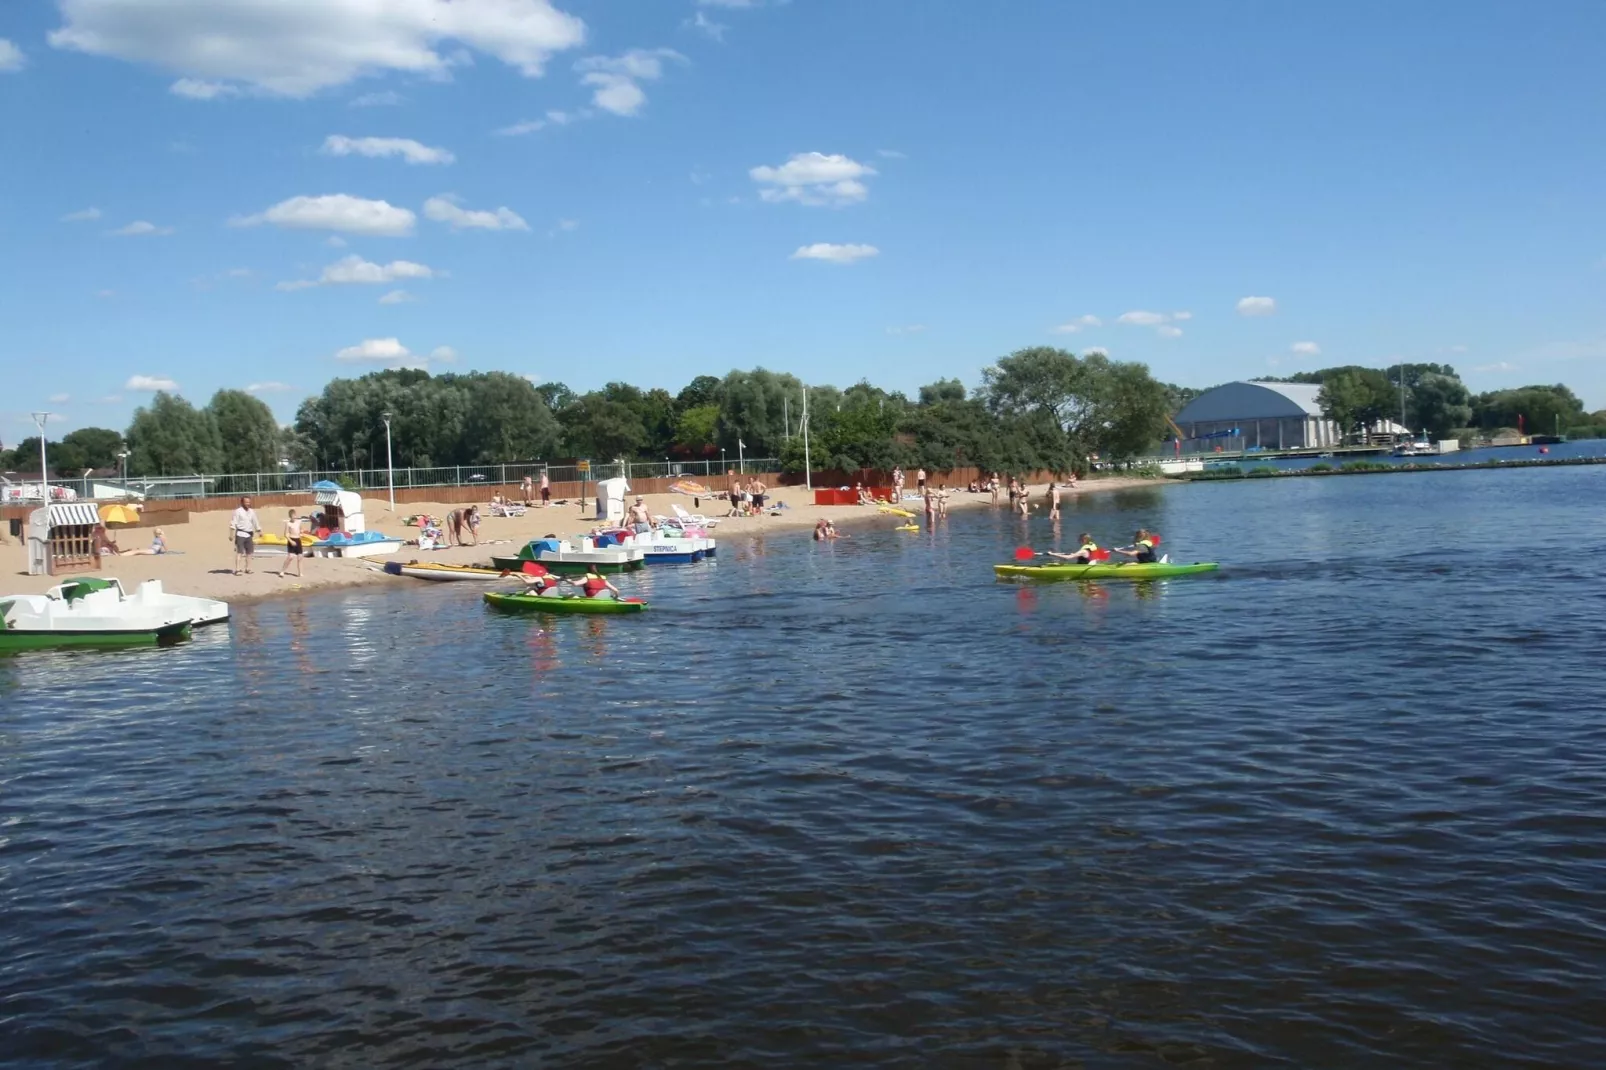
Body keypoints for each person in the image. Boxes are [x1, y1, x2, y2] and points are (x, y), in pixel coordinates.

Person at [231, 496, 262, 575]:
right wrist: (231, 534)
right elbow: (233, 523)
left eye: (249, 502)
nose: (248, 503)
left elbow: (255, 521)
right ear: (242, 502)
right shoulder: (237, 511)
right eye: (246, 502)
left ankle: (248, 568)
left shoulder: (252, 511)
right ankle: (237, 569)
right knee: (239, 552)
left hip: (249, 534)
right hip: (240, 534)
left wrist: (259, 530)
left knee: (249, 552)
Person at [277, 510, 303, 578]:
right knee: (290, 557)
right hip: (291, 540)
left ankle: (300, 573)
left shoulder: (299, 522)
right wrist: (291, 541)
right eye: (292, 516)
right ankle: (282, 571)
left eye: (295, 516)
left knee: (300, 557)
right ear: (290, 517)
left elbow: (301, 529)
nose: (294, 517)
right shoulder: (288, 523)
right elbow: (285, 534)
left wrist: (301, 533)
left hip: (298, 540)